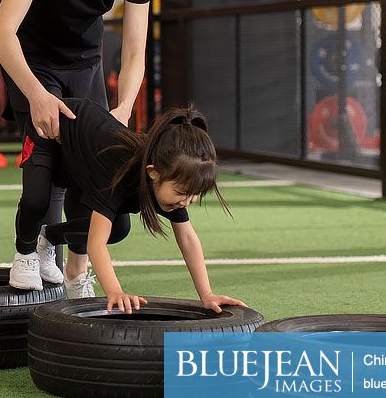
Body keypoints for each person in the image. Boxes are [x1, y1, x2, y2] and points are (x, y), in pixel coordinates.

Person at [0, 0, 153, 290]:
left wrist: (124, 109)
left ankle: (77, 268)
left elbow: (135, 49)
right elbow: (0, 33)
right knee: (43, 172)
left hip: (85, 64)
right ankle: (26, 250)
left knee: (87, 169)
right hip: (34, 60)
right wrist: (37, 95)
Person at [31, 99, 245, 314]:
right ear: (154, 173)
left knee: (119, 228)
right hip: (56, 131)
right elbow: (97, 243)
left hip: (90, 158)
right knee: (37, 199)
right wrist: (114, 291)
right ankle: (31, 243)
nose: (185, 202)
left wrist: (207, 295)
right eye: (181, 193)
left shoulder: (170, 182)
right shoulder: (119, 172)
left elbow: (188, 238)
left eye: (194, 195)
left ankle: (49, 235)